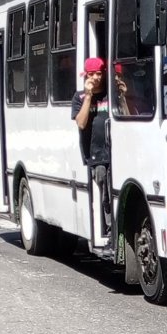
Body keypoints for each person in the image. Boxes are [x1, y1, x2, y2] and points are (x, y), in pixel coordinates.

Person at [71, 57, 112, 239]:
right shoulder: (79, 97)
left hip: (116, 152)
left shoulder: (111, 95)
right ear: (86, 76)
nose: (96, 78)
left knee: (113, 192)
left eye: (98, 73)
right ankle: (109, 229)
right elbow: (81, 123)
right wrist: (88, 96)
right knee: (106, 194)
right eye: (92, 74)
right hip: (96, 155)